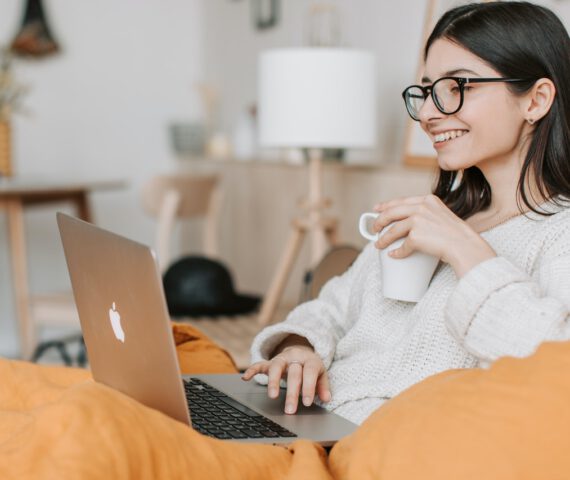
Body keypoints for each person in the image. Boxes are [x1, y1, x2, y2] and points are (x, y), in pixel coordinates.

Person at [242, 1, 570, 426]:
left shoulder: (557, 233)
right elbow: (331, 308)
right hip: (308, 417)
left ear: (537, 100)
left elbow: (556, 359)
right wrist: (300, 348)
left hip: (377, 445)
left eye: (458, 87)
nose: (430, 113)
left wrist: (465, 251)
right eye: (429, 90)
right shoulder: (435, 214)